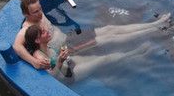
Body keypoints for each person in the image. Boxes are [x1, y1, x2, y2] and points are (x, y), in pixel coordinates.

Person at [12, 0, 171, 70]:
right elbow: (17, 46)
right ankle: (154, 30)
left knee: (110, 29)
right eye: (35, 12)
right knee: (109, 38)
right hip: (67, 48)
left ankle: (153, 24)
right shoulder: (27, 28)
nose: (40, 14)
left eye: (40, 9)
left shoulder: (34, 6)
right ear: (26, 14)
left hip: (70, 37)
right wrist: (33, 62)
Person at [24, 24, 154, 80]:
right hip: (68, 76)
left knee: (102, 55)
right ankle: (135, 53)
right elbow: (52, 77)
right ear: (37, 40)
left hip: (68, 63)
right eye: (44, 32)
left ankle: (134, 53)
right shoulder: (39, 56)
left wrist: (61, 56)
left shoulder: (47, 46)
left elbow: (55, 60)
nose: (48, 32)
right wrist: (59, 60)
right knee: (103, 60)